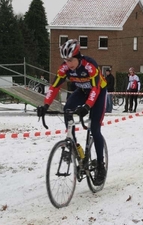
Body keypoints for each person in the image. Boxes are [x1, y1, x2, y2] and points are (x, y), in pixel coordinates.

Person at [37, 39, 107, 186]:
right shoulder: (64, 69)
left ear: (78, 56)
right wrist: (45, 105)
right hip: (81, 91)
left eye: (70, 60)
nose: (68, 64)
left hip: (98, 93)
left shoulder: (89, 66)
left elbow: (95, 89)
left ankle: (101, 165)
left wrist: (87, 106)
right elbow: (54, 86)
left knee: (95, 128)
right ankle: (73, 145)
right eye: (65, 60)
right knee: (67, 109)